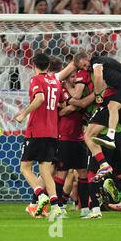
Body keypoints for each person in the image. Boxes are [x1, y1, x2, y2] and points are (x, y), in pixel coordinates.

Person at [73, 53, 121, 181]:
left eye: (84, 65)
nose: (85, 69)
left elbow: (98, 82)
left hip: (112, 103)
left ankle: (105, 162)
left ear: (87, 58)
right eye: (82, 68)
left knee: (89, 134)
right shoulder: (110, 69)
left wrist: (97, 94)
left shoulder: (97, 63)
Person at [16, 53, 63, 218]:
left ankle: (41, 196)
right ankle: (56, 207)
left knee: (25, 167)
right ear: (48, 66)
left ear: (33, 65)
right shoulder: (56, 82)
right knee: (45, 170)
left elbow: (40, 98)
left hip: (37, 130)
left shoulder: (36, 80)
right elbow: (62, 103)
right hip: (52, 132)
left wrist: (23, 113)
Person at [54, 71, 90, 217]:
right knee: (61, 173)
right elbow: (60, 111)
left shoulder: (80, 91)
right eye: (72, 77)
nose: (75, 79)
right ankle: (59, 208)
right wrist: (75, 106)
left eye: (76, 77)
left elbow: (75, 107)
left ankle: (84, 209)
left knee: (83, 174)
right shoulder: (60, 91)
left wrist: (70, 107)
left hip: (79, 139)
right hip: (64, 138)